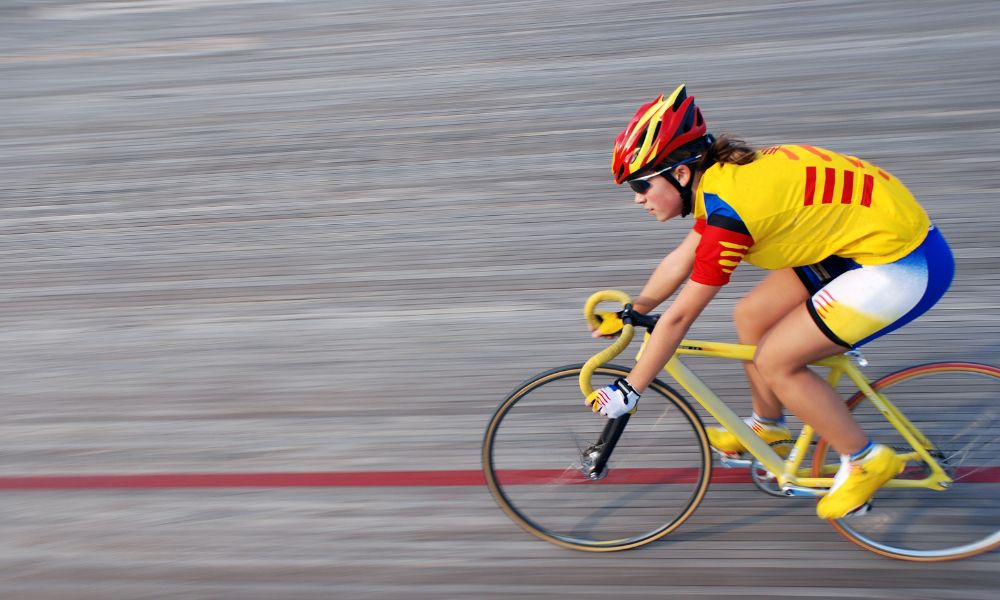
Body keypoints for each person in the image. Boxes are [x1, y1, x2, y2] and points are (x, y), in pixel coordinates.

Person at [585, 84, 954, 519]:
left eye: (641, 184)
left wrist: (631, 387)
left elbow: (682, 315)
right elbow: (681, 260)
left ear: (681, 174)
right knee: (751, 315)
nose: (637, 198)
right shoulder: (721, 178)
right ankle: (769, 429)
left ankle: (865, 459)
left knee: (775, 361)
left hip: (901, 265)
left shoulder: (730, 215)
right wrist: (638, 309)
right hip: (860, 242)